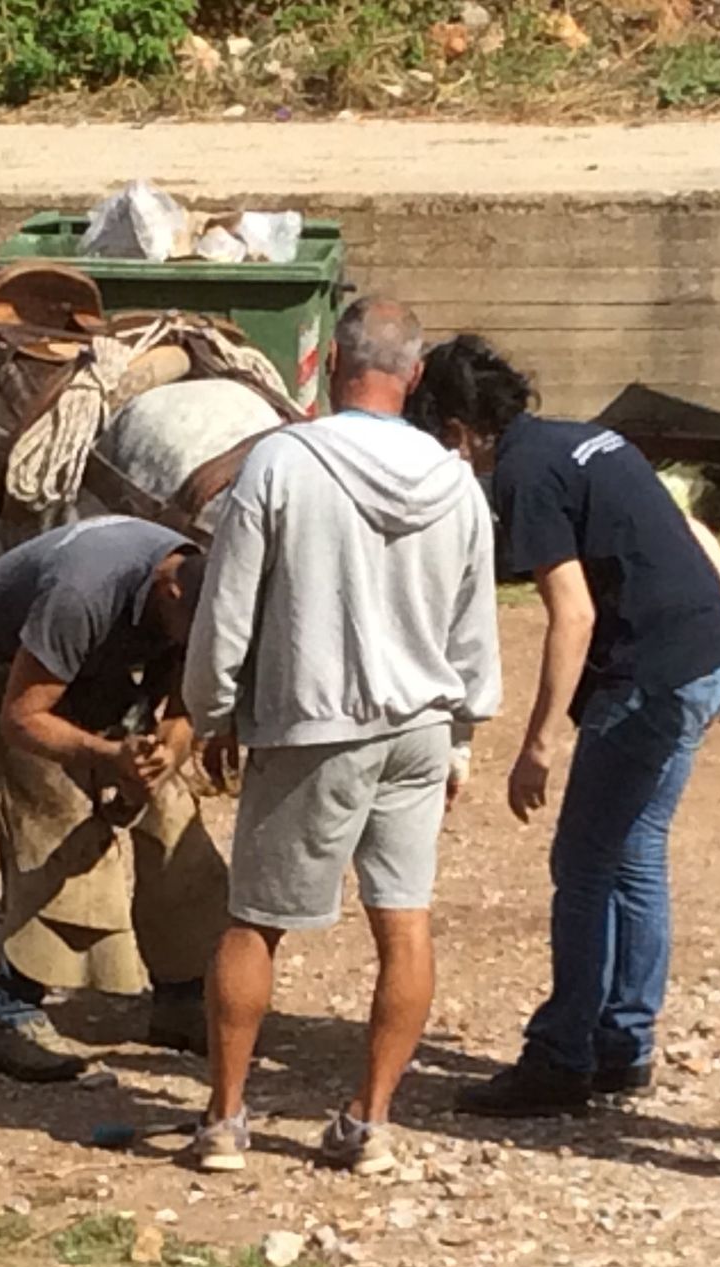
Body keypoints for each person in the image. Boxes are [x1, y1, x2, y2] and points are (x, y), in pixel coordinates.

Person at [404, 335, 720, 1118]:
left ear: (457, 430)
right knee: (634, 852)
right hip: (701, 655)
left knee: (582, 863)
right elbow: (694, 536)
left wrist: (538, 745)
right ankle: (622, 1044)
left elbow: (571, 615)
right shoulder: (581, 438)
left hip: (652, 676)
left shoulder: (523, 475)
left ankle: (561, 1058)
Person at [182, 298, 501, 1176]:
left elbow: (229, 602)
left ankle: (225, 1119)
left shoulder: (283, 461)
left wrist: (212, 709)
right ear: (416, 375)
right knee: (404, 923)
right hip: (420, 726)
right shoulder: (457, 483)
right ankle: (371, 1123)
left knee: (254, 923)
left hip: (312, 724)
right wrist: (463, 737)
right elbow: (474, 626)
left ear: (329, 366)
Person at [0, 515, 226, 1082]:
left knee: (172, 812)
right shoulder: (82, 594)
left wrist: (166, 752)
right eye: (193, 634)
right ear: (168, 593)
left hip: (94, 654)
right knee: (60, 817)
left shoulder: (200, 595)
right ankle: (11, 1011)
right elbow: (22, 719)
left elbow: (186, 699)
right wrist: (108, 755)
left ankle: (180, 997)